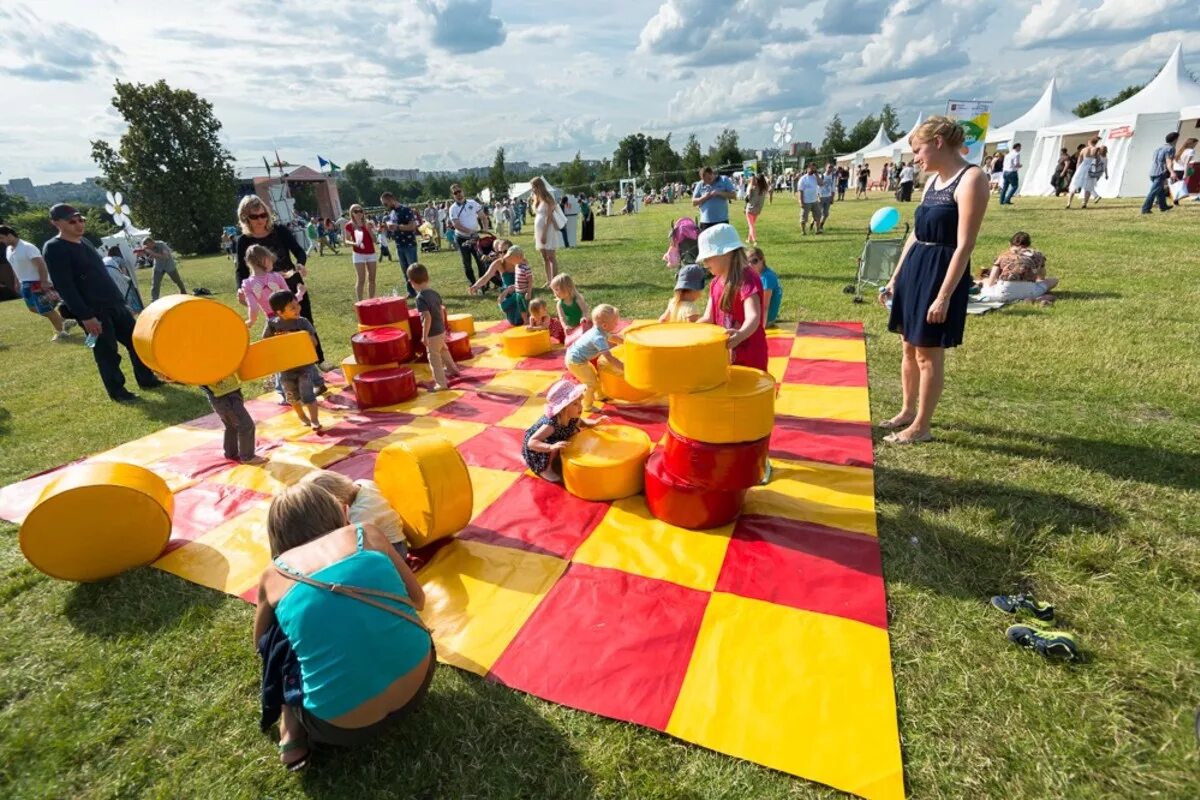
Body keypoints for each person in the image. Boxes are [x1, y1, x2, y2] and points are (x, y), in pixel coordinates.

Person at [254, 483, 433, 769]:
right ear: (337, 511)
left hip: (339, 727)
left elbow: (261, 644)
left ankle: (292, 729)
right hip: (418, 685)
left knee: (279, 633)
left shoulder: (274, 574)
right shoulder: (367, 533)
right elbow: (418, 600)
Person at [879, 116, 988, 444]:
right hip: (916, 268)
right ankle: (907, 410)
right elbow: (917, 233)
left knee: (928, 352)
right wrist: (895, 277)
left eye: (918, 149)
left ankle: (921, 426)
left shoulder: (972, 179)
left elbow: (965, 244)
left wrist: (943, 296)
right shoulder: (932, 182)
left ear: (938, 142)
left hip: (941, 272)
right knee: (908, 346)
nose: (915, 158)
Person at [42, 204, 163, 401]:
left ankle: (147, 379)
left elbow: (101, 275)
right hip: (93, 310)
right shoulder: (55, 248)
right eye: (72, 221)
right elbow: (65, 286)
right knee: (107, 353)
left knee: (137, 343)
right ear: (56, 223)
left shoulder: (86, 242)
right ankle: (118, 392)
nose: (78, 224)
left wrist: (123, 303)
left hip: (115, 304)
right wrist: (86, 316)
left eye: (81, 220)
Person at [234, 196, 324, 365]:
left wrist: (300, 264)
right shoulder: (244, 241)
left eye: (263, 215)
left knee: (305, 321)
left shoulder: (280, 230)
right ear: (245, 218)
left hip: (290, 282)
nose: (260, 219)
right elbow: (241, 269)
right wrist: (240, 288)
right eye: (255, 217)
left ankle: (318, 361)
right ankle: (291, 365)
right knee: (279, 329)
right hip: (268, 293)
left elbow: (299, 251)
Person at [696, 224, 768, 371]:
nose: (704, 263)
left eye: (708, 257)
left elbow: (753, 316)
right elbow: (708, 318)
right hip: (726, 357)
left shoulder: (747, 279)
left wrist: (741, 334)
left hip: (750, 358)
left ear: (726, 254)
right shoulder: (715, 283)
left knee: (747, 392)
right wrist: (689, 330)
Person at [300, 470, 407, 555]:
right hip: (397, 537)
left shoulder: (360, 513)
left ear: (335, 500)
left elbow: (357, 543)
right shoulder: (362, 483)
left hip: (395, 549)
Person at [521, 379, 609, 482]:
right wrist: (550, 447)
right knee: (554, 445)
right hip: (538, 447)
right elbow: (532, 443)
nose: (580, 406)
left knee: (575, 431)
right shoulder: (551, 425)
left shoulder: (571, 416)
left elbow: (581, 422)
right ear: (563, 409)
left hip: (555, 436)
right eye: (575, 404)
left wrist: (593, 423)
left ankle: (559, 452)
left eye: (580, 401)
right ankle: (545, 469)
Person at [0, 224, 75, 341]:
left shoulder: (27, 247)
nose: (1, 241)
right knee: (33, 308)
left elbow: (41, 264)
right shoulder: (8, 249)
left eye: (1, 238)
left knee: (45, 309)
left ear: (9, 235)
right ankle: (64, 322)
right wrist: (17, 282)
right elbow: (15, 267)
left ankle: (61, 332)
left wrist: (44, 281)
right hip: (24, 283)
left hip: (36, 282)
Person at [266, 290, 322, 432]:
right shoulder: (273, 325)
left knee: (307, 393)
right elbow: (266, 343)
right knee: (291, 396)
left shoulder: (303, 322)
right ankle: (303, 417)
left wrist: (305, 337)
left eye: (297, 305)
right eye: (292, 307)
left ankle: (315, 420)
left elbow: (314, 343)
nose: (298, 309)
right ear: (280, 312)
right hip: (286, 367)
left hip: (304, 366)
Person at [407, 263, 462, 391]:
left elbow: (427, 317)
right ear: (427, 278)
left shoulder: (420, 298)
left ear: (411, 282)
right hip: (440, 330)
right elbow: (441, 310)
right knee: (443, 350)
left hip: (432, 333)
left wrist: (424, 336)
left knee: (434, 358)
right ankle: (453, 370)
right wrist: (443, 327)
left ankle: (441, 383)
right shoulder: (434, 293)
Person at [564, 304, 623, 412]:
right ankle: (586, 406)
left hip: (578, 358)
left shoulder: (600, 330)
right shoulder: (598, 338)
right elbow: (609, 357)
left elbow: (612, 337)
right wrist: (623, 367)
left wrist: (624, 342)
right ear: (605, 325)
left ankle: (599, 396)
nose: (617, 324)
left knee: (595, 376)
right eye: (615, 322)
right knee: (590, 383)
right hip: (575, 362)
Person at [977, 231, 1058, 304]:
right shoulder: (1038, 255)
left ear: (1010, 244)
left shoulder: (1003, 255)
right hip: (1029, 291)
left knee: (985, 281)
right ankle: (1034, 298)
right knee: (1054, 280)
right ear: (1029, 245)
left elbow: (991, 281)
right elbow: (1041, 277)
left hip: (1003, 293)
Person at [200, 373, 258, 463]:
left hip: (228, 394)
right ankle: (247, 457)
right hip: (223, 397)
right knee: (246, 425)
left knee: (231, 425)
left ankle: (231, 453)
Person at [241, 244, 296, 329]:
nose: (273, 263)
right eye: (271, 260)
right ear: (265, 260)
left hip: (273, 321)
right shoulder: (277, 276)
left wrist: (251, 321)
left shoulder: (247, 284)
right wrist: (300, 293)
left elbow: (254, 308)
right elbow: (291, 298)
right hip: (290, 317)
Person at [380, 193, 418, 296]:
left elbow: (412, 226)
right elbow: (394, 227)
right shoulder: (392, 212)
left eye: (385, 203)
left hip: (409, 244)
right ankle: (411, 292)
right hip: (399, 244)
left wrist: (397, 227)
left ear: (391, 199)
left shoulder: (406, 209)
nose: (385, 206)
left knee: (413, 269)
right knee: (405, 271)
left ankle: (419, 291)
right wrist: (388, 227)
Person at [530, 177, 561, 286]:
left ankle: (554, 281)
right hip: (539, 229)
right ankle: (548, 280)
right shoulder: (536, 198)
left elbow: (549, 217)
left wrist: (544, 233)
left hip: (547, 229)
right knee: (544, 258)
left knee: (551, 256)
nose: (532, 189)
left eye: (533, 187)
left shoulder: (548, 197)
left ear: (539, 186)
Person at [344, 204, 378, 301]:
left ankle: (371, 301)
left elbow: (375, 240)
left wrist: (369, 230)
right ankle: (361, 302)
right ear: (352, 213)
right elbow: (346, 241)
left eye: (360, 211)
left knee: (372, 279)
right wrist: (354, 243)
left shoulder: (368, 223)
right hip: (358, 254)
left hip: (371, 253)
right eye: (356, 211)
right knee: (361, 279)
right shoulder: (349, 225)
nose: (359, 213)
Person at [141, 236, 187, 301]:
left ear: (152, 242)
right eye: (146, 246)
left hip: (169, 265)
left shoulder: (161, 244)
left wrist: (153, 253)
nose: (148, 248)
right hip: (158, 266)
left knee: (177, 280)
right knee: (155, 284)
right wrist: (150, 255)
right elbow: (152, 255)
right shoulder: (148, 248)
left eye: (148, 246)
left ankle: (184, 293)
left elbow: (166, 257)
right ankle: (154, 299)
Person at [1143, 131, 1179, 214]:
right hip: (1160, 172)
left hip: (1153, 171)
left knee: (1160, 190)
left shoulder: (1159, 148)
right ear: (1175, 139)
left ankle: (1163, 206)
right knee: (1153, 192)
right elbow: (1168, 162)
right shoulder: (1170, 148)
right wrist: (1172, 172)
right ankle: (1145, 209)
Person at [691, 166, 737, 230]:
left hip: (722, 221)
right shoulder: (700, 184)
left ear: (712, 174)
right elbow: (693, 202)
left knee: (722, 240)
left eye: (708, 179)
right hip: (705, 222)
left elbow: (734, 195)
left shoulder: (724, 179)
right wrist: (705, 197)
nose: (706, 182)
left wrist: (719, 193)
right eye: (704, 180)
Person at [747, 247, 782, 327]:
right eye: (748, 262)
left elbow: (765, 306)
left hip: (765, 319)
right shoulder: (757, 273)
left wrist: (761, 328)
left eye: (754, 261)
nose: (750, 265)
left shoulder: (767, 278)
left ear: (762, 260)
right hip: (757, 313)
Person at [102, 245, 143, 313]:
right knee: (127, 294)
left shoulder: (106, 259)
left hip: (106, 278)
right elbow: (124, 272)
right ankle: (134, 310)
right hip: (117, 276)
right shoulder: (120, 259)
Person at [550, 273, 590, 342]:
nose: (555, 293)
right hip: (571, 328)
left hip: (583, 326)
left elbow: (585, 311)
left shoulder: (577, 299)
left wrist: (584, 318)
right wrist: (565, 326)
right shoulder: (560, 304)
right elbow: (562, 318)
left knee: (586, 342)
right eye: (554, 290)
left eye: (557, 289)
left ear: (567, 287)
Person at [1065, 137, 1099, 209]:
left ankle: (1069, 203)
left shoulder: (1083, 149)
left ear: (1089, 142)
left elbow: (1079, 161)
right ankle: (1084, 203)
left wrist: (1077, 170)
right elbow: (1097, 160)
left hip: (1082, 167)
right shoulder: (1095, 149)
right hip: (1090, 168)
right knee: (1088, 186)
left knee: (1074, 184)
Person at [798, 165, 822, 236]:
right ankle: (803, 231)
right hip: (806, 201)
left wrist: (817, 175)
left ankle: (817, 230)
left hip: (814, 200)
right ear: (807, 169)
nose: (813, 170)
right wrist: (801, 201)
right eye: (811, 169)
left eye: (814, 169)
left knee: (818, 216)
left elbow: (821, 184)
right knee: (803, 217)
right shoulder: (803, 178)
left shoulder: (815, 177)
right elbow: (800, 191)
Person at [744, 174, 767, 245]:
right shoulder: (764, 189)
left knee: (751, 225)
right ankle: (749, 239)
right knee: (752, 225)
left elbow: (748, 199)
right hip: (758, 209)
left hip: (750, 208)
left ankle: (754, 240)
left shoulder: (753, 188)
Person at [817, 164, 835, 232]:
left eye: (831, 167)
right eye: (829, 167)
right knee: (818, 213)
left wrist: (832, 197)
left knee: (826, 214)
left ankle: (821, 225)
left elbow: (833, 188)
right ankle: (813, 223)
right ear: (826, 168)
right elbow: (817, 187)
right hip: (821, 196)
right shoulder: (821, 176)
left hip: (828, 196)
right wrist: (818, 196)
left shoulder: (833, 177)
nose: (830, 169)